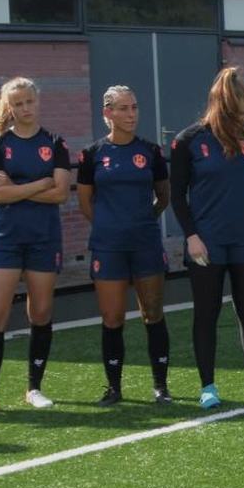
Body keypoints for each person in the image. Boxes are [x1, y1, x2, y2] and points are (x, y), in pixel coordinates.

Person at [0, 77, 72, 418]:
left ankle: (34, 388)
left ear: (38, 101)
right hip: (5, 238)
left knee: (39, 312)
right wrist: (40, 183)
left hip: (43, 237)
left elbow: (60, 193)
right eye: (18, 104)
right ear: (9, 107)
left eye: (29, 101)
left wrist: (19, 187)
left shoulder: (55, 143)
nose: (25, 108)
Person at [171, 67, 244, 409]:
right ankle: (208, 387)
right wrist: (192, 236)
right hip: (207, 243)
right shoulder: (189, 141)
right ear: (224, 104)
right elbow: (177, 195)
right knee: (207, 313)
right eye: (242, 109)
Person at [76, 85, 172, 406]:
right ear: (108, 113)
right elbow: (85, 202)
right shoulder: (92, 155)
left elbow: (164, 197)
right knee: (113, 317)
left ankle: (161, 386)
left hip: (145, 243)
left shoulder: (151, 151)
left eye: (134, 107)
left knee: (153, 315)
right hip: (108, 246)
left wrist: (143, 219)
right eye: (123, 108)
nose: (131, 114)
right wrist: (109, 225)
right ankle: (114, 388)